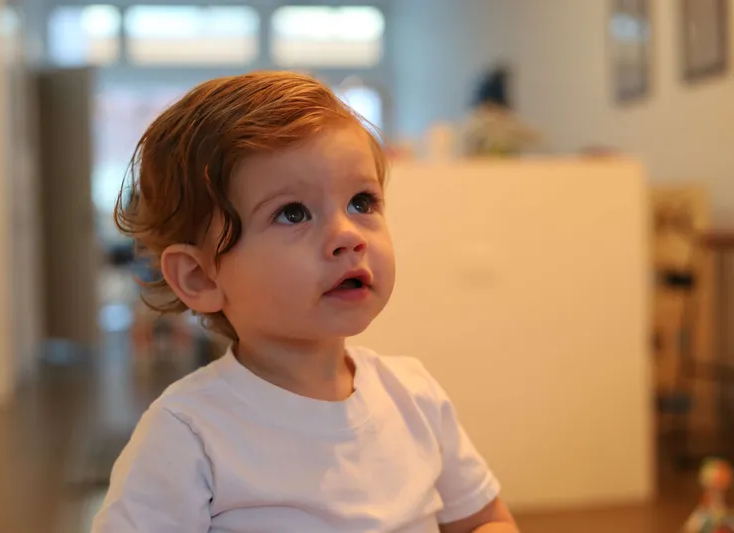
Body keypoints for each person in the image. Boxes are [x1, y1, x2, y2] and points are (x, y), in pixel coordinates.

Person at [92, 71, 517, 533]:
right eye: (292, 213)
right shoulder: (188, 434)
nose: (348, 236)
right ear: (200, 276)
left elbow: (486, 521)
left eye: (361, 202)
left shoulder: (414, 398)